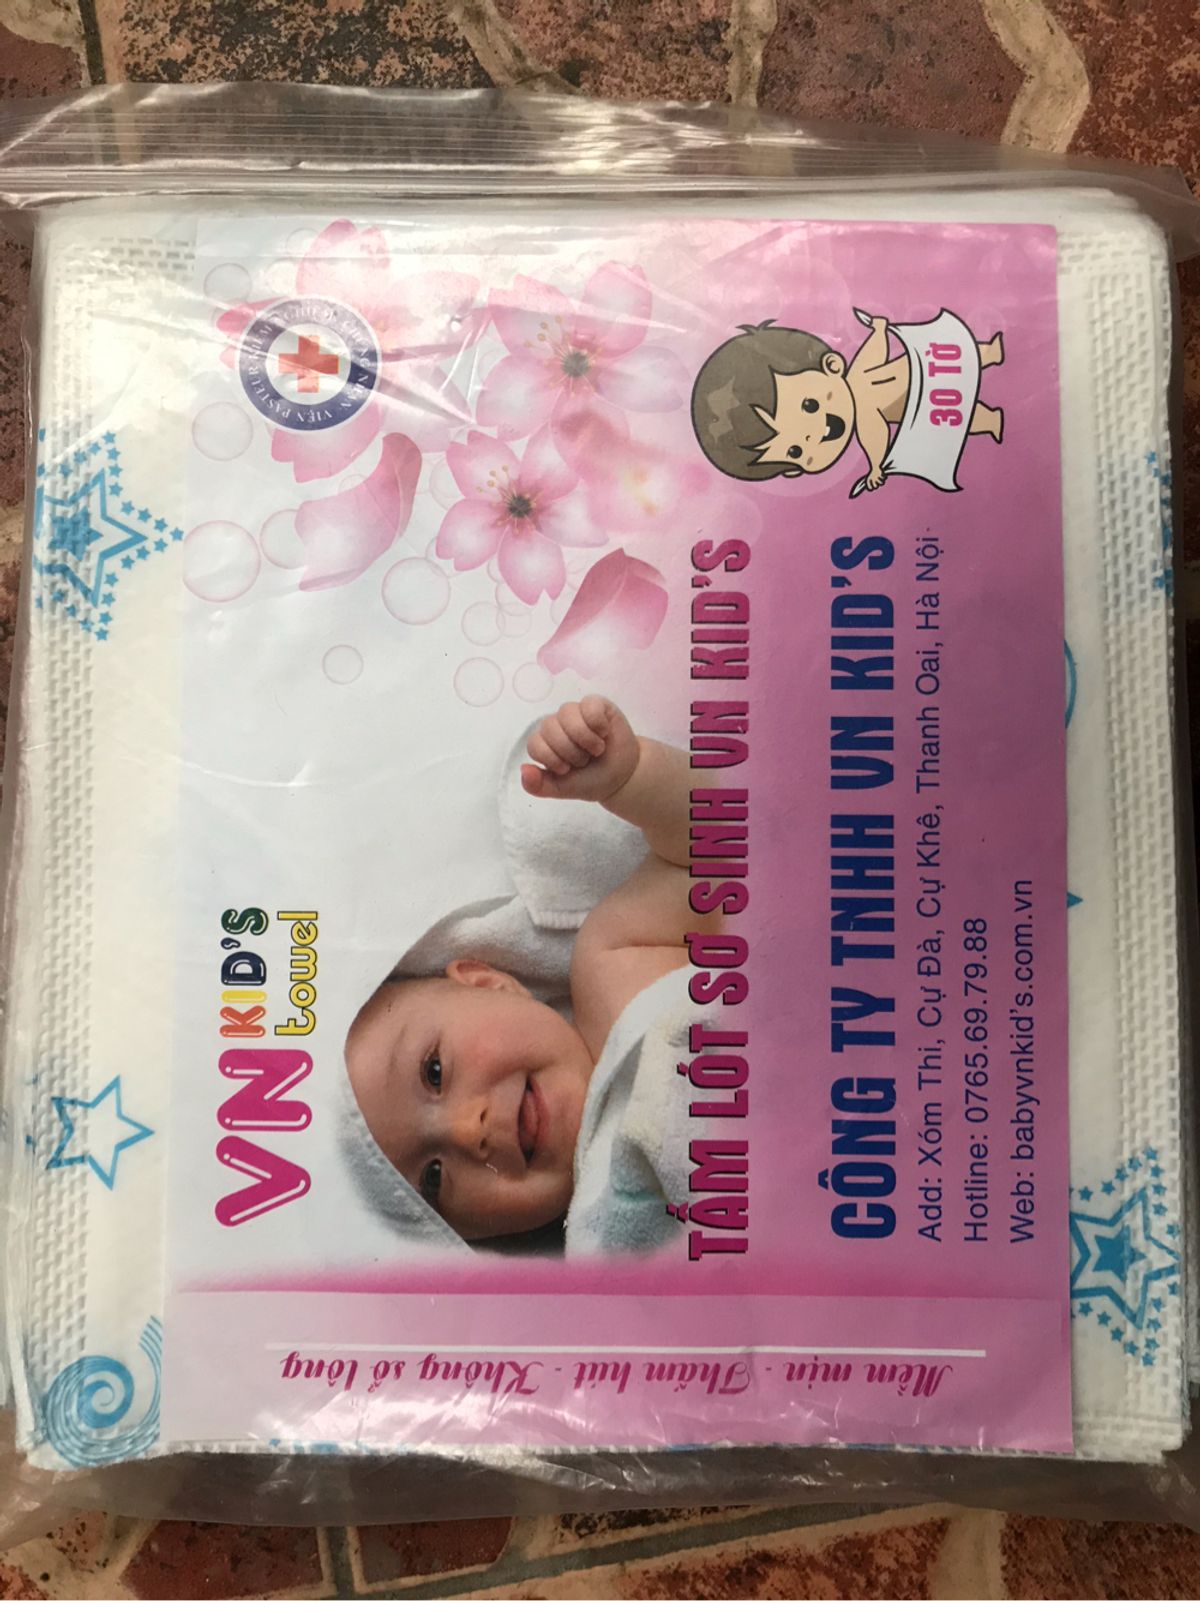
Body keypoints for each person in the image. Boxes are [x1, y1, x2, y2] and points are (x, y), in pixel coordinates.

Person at [343, 695, 710, 1244]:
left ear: (491, 983)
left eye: (435, 1072)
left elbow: (721, 853)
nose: (467, 1131)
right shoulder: (600, 1257)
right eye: (432, 1178)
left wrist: (632, 777)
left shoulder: (613, 968)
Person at [691, 313, 1004, 494]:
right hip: (927, 411)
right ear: (794, 472)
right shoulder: (864, 418)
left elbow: (874, 357)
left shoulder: (861, 381)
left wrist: (879, 331)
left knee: (952, 363)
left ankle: (989, 354)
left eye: (810, 407)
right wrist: (876, 467)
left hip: (924, 369)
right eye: (795, 452)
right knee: (953, 419)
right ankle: (990, 420)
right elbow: (875, 437)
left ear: (832, 365)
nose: (812, 434)